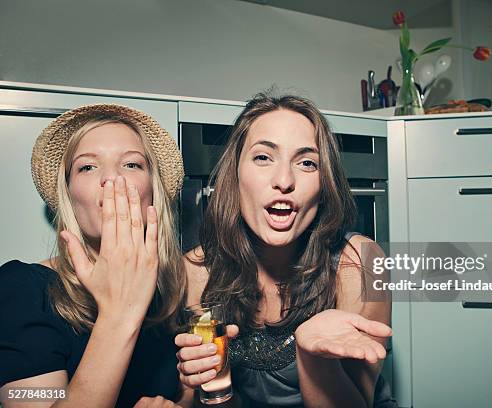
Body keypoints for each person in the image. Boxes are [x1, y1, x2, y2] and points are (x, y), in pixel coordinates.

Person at [176, 94, 395, 407]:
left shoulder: (362, 262)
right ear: (235, 174)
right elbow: (200, 398)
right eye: (263, 157)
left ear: (324, 184)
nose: (284, 180)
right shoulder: (196, 271)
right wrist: (210, 383)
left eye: (307, 163)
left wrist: (313, 355)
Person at [0, 104, 190, 408]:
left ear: (152, 193)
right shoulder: (23, 290)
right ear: (69, 196)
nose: (112, 179)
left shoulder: (170, 294)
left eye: (131, 165)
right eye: (87, 167)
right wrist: (119, 313)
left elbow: (179, 393)